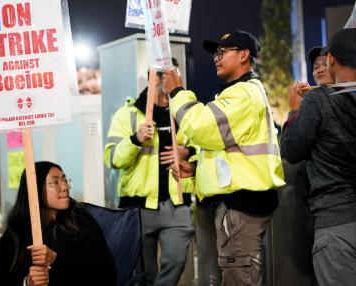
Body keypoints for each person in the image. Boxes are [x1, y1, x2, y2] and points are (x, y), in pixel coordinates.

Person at [163, 30, 285, 286]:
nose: (216, 58)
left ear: (244, 55)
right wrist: (195, 168)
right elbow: (226, 150)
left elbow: (202, 126)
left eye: (222, 51)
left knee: (238, 278)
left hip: (240, 207)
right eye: (214, 53)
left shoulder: (243, 93)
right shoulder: (238, 93)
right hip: (237, 205)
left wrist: (176, 93)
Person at [103, 59, 196, 286]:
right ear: (151, 78)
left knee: (175, 262)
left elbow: (206, 149)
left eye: (174, 73)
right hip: (138, 208)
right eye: (163, 74)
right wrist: (135, 139)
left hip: (178, 204)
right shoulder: (129, 114)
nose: (169, 79)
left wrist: (188, 152)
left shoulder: (188, 112)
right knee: (144, 273)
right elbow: (113, 159)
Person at [281, 28, 356, 285]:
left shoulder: (319, 100)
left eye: (324, 62)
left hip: (336, 225)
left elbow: (291, 150)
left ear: (333, 61)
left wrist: (294, 111)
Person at [0, 161, 117, 286]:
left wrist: (56, 261)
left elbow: (104, 273)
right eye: (55, 182)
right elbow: (0, 279)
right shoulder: (17, 230)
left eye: (65, 180)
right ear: (35, 189)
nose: (65, 187)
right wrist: (27, 282)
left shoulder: (80, 222)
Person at [288, 46, 334, 110]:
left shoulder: (345, 96)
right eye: (316, 67)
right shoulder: (315, 99)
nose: (320, 70)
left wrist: (295, 108)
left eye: (326, 65)